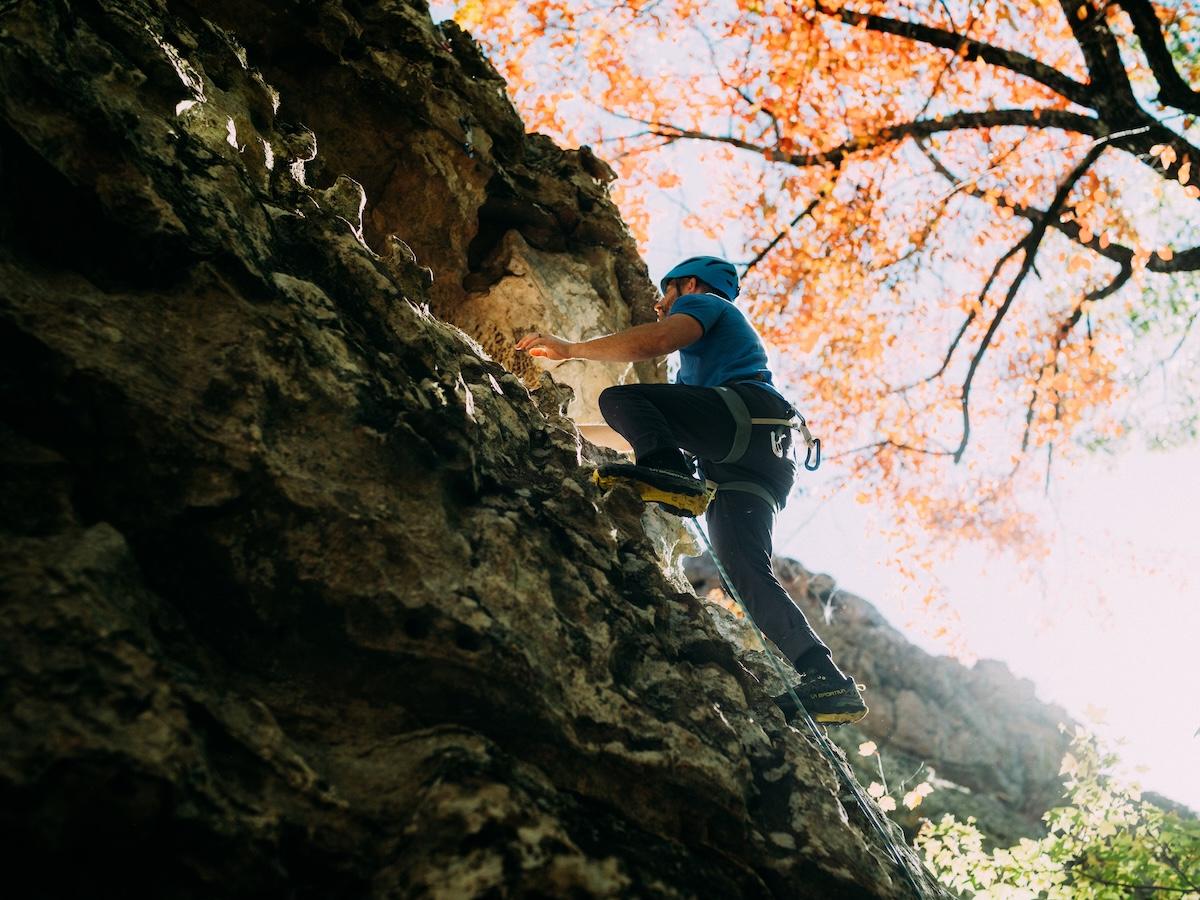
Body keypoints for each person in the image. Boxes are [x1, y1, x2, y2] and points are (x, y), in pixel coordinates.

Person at [516, 255, 867, 725]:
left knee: (622, 397)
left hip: (745, 419)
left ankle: (674, 476)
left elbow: (655, 346)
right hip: (765, 454)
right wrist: (560, 425)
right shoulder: (696, 379)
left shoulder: (708, 303)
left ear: (692, 284)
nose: (660, 305)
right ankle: (826, 679)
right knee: (746, 573)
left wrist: (571, 349)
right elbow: (643, 426)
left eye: (667, 292)